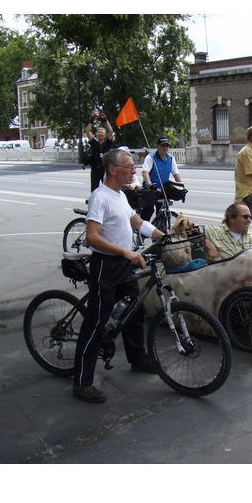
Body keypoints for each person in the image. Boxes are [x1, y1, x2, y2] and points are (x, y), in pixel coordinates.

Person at [73, 148, 164, 404]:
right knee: (96, 323)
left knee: (135, 311)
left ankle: (137, 358)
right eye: (128, 166)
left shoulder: (120, 195)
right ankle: (82, 382)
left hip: (124, 265)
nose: (133, 170)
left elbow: (137, 223)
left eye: (134, 166)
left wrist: (165, 237)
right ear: (112, 169)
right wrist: (125, 252)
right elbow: (92, 237)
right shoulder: (100, 197)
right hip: (106, 266)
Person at [140, 137, 183, 221]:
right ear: (157, 146)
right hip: (151, 189)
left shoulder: (170, 158)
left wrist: (180, 185)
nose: (165, 147)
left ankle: (161, 228)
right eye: (163, 145)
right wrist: (149, 184)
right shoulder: (151, 157)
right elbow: (145, 172)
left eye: (167, 145)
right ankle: (143, 229)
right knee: (149, 209)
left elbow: (175, 173)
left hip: (163, 189)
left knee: (163, 210)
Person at [84, 112, 114, 192]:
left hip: (105, 169)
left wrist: (105, 120)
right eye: (99, 132)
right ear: (97, 134)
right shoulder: (94, 143)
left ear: (105, 135)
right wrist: (92, 119)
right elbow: (88, 131)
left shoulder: (107, 143)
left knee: (107, 188)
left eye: (102, 132)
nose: (100, 133)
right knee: (94, 190)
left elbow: (111, 131)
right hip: (95, 169)